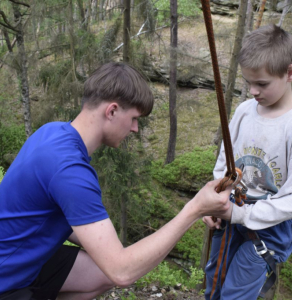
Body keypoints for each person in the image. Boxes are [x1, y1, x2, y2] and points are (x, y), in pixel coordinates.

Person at [0, 62, 231, 300]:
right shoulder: (69, 171)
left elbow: (46, 216)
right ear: (111, 111)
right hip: (6, 280)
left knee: (103, 271)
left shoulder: (52, 131)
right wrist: (194, 209)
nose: (135, 129)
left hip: (20, 256)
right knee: (115, 269)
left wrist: (111, 251)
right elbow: (122, 272)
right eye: (133, 118)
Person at [203, 24, 292, 300]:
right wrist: (215, 198)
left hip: (270, 228)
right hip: (231, 212)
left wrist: (243, 215)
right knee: (214, 285)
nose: (253, 91)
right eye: (248, 83)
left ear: (289, 73)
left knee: (235, 293)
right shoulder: (245, 111)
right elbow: (225, 160)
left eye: (262, 84)